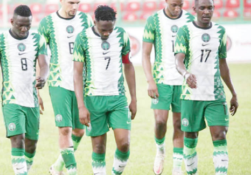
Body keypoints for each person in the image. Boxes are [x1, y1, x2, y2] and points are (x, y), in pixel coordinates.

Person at [0, 5, 48, 175]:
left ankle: (24, 171)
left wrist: (43, 77)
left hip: (31, 99)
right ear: (12, 21)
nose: (24, 29)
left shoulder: (37, 39)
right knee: (18, 139)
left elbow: (44, 64)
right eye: (20, 25)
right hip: (11, 98)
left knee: (31, 143)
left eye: (28, 25)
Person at [174, 0, 238, 174]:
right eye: (202, 8)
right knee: (190, 139)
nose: (206, 11)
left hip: (215, 94)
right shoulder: (185, 31)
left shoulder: (220, 31)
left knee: (219, 135)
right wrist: (186, 74)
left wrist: (233, 92)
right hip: (191, 95)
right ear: (194, 9)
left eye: (209, 7)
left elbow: (223, 64)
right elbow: (178, 60)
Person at [73, 5, 137, 175]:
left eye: (111, 29)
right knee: (99, 147)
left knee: (124, 143)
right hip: (94, 99)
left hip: (118, 98)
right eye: (103, 29)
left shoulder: (122, 35)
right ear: (95, 22)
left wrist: (134, 99)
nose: (107, 33)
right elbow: (77, 74)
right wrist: (81, 106)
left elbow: (128, 66)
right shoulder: (83, 38)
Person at [38, 0, 93, 174]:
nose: (75, 7)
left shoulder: (86, 20)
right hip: (58, 82)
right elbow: (38, 56)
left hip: (82, 83)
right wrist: (37, 88)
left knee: (79, 131)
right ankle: (72, 170)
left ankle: (57, 166)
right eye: (71, 2)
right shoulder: (47, 23)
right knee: (65, 129)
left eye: (78, 2)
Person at [142, 0, 195, 174]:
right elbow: (145, 53)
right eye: (174, 4)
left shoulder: (190, 19)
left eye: (181, 4)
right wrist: (150, 80)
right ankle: (160, 150)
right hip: (161, 80)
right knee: (160, 122)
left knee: (180, 124)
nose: (178, 7)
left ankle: (177, 168)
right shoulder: (154, 20)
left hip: (183, 81)